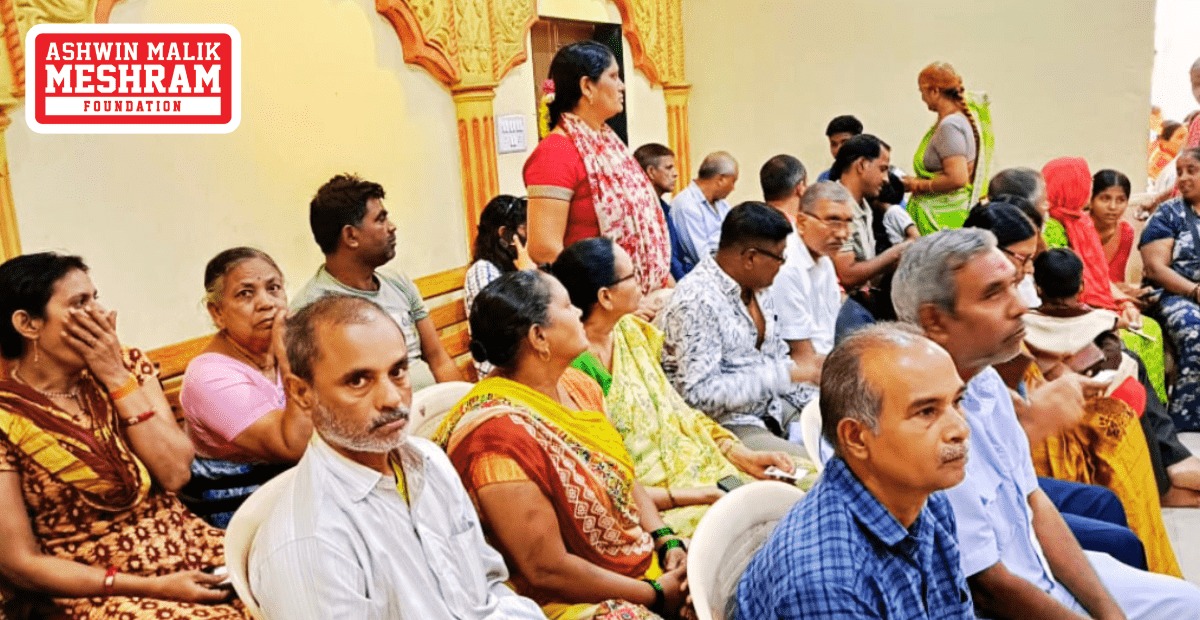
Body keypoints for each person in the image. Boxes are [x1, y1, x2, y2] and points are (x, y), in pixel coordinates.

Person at [892, 229, 1200, 618]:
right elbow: (989, 587)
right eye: (993, 294)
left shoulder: (985, 379)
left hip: (1040, 571)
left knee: (1188, 603)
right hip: (1003, 605)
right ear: (934, 320)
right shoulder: (920, 425)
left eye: (1016, 285)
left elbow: (1033, 503)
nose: (1020, 306)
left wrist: (1109, 613)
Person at [249, 294, 543, 619]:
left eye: (398, 371)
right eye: (358, 380)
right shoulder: (311, 541)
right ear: (302, 393)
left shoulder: (428, 461)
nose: (392, 398)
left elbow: (486, 589)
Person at [0, 252, 248, 619]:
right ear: (28, 324)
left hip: (191, 546)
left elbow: (176, 473)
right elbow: (19, 562)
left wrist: (116, 379)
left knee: (292, 583)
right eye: (80, 304)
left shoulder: (126, 367)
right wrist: (153, 587)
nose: (101, 315)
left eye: (95, 297)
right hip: (98, 583)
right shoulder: (6, 418)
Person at [434, 270, 689, 619]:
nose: (580, 314)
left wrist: (666, 540)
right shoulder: (496, 439)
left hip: (635, 566)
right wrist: (654, 594)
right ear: (539, 336)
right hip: (560, 599)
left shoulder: (579, 385)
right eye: (568, 306)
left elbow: (623, 476)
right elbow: (546, 570)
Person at [552, 238, 813, 536]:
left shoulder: (631, 332)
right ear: (605, 297)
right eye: (632, 276)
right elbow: (610, 478)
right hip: (662, 498)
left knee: (808, 483)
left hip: (705, 465)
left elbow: (679, 413)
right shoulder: (577, 369)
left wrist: (743, 455)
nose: (643, 284)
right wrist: (702, 493)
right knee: (764, 527)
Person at [737, 324, 974, 620]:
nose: (961, 429)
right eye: (927, 412)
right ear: (856, 437)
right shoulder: (830, 582)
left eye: (957, 402)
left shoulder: (927, 499)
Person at [660, 202, 819, 458]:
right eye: (779, 257)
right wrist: (785, 375)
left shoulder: (758, 287)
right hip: (727, 427)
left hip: (775, 406)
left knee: (855, 443)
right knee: (816, 472)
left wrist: (818, 398)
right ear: (751, 257)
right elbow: (697, 395)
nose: (782, 266)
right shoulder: (696, 300)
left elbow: (776, 359)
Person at [522, 41, 670, 295]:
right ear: (587, 86)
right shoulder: (554, 154)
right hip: (599, 307)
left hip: (642, 297)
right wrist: (613, 297)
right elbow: (544, 249)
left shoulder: (609, 145)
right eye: (613, 76)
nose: (622, 86)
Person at [291, 173, 463, 390]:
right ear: (351, 236)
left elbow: (438, 359)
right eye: (380, 219)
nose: (392, 227)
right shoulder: (311, 311)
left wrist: (466, 411)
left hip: (434, 411)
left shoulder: (397, 282)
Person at [180, 248, 309, 528]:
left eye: (273, 288)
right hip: (246, 508)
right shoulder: (208, 376)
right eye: (245, 294)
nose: (266, 303)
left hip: (298, 485)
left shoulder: (279, 353)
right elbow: (292, 445)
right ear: (218, 313)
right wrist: (290, 353)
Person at [1042, 158, 1167, 411]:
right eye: (1086, 183)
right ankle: (1122, 410)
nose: (1112, 207)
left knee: (1149, 328)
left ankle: (1148, 415)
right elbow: (1070, 284)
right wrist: (1107, 314)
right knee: (1130, 341)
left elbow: (1099, 277)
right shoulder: (1053, 229)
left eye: (1120, 200)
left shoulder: (1080, 223)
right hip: (1072, 311)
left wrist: (1121, 303)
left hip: (1097, 304)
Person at [1141, 147, 1200, 432]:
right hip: (1173, 293)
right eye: (1179, 172)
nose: (1184, 178)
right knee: (1195, 329)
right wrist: (1195, 292)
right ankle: (1186, 422)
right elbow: (1155, 268)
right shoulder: (1169, 213)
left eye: (1192, 171)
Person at [771, 180, 852, 380]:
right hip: (796, 379)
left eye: (848, 222)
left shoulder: (823, 259)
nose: (843, 233)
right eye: (833, 221)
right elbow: (804, 359)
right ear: (801, 223)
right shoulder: (787, 265)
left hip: (824, 364)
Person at [904, 62, 989, 235]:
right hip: (948, 214)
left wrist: (916, 185)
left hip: (943, 217)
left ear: (934, 91)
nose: (922, 98)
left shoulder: (950, 126)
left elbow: (957, 178)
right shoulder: (959, 119)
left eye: (922, 92)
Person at [830, 134, 911, 290]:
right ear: (861, 165)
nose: (886, 179)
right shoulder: (835, 207)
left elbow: (867, 269)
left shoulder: (864, 207)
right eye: (882, 169)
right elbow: (847, 275)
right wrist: (896, 252)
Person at [465, 194, 530, 376]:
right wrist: (529, 277)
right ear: (505, 235)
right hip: (500, 370)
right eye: (526, 228)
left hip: (526, 362)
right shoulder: (483, 270)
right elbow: (506, 326)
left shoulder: (517, 264)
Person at [670, 151, 739, 270]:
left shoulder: (722, 204)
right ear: (721, 179)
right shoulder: (686, 204)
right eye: (733, 182)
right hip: (704, 275)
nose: (733, 188)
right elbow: (702, 257)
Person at [632, 143, 690, 280]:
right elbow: (669, 261)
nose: (675, 174)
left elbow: (679, 258)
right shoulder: (642, 211)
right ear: (651, 172)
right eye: (669, 168)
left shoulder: (664, 208)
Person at [1089, 170, 1141, 292]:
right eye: (1105, 199)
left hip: (1112, 295)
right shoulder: (1077, 228)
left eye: (1120, 200)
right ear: (1091, 200)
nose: (1113, 207)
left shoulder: (1126, 232)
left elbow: (1116, 278)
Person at [816, 114, 863, 182]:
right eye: (833, 144)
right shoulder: (824, 179)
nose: (839, 149)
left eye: (845, 142)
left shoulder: (872, 174)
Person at [1149, 121, 1188, 186]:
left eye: (1187, 137)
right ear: (1164, 142)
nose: (1185, 141)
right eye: (1180, 137)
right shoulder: (1162, 161)